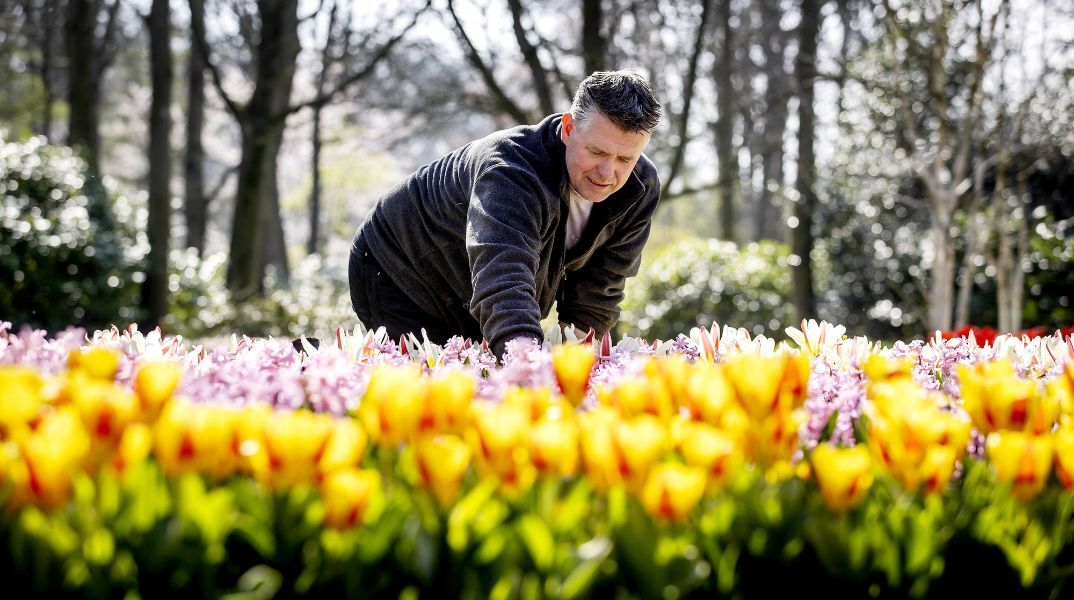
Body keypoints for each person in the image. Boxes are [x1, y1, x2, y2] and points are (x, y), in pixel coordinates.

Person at [348, 69, 662, 358]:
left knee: (487, 378)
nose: (608, 172)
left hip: (468, 286)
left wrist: (572, 365)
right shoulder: (509, 172)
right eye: (597, 152)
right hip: (399, 270)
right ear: (568, 128)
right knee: (433, 388)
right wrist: (530, 366)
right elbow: (503, 277)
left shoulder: (639, 188)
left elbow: (600, 288)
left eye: (625, 158)